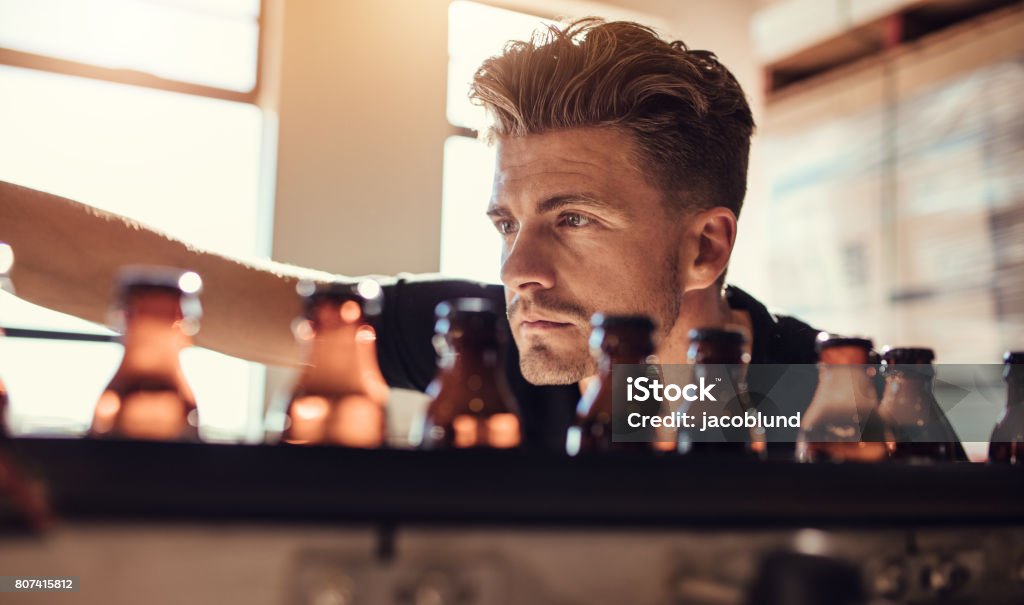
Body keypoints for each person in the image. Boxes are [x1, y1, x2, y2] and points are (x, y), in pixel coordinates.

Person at [0, 19, 821, 450]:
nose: (519, 270)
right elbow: (175, 285)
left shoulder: (847, 395)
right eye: (508, 223)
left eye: (573, 219)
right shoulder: (476, 345)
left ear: (705, 248)